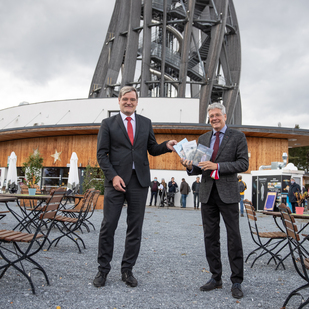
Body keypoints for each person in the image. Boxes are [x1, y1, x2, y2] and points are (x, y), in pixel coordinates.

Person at [94, 86, 177, 288]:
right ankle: (103, 270)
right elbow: (101, 155)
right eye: (125, 99)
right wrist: (113, 176)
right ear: (119, 101)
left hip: (139, 182)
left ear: (137, 102)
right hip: (115, 182)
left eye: (132, 99)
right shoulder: (108, 124)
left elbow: (151, 149)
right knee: (108, 225)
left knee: (135, 228)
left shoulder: (145, 123)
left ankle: (127, 270)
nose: (129, 102)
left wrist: (165, 146)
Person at [181, 102, 248, 299]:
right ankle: (215, 277)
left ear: (225, 116)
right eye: (211, 116)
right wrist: (188, 166)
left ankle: (236, 281)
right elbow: (198, 168)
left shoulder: (238, 137)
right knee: (210, 237)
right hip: (207, 193)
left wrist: (217, 166)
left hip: (228, 193)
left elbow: (243, 163)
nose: (214, 119)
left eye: (217, 115)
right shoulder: (203, 138)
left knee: (233, 237)